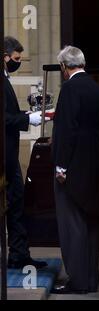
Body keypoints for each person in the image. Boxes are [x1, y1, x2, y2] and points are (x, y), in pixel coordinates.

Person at [51, 46, 99, 294]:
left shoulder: (70, 89)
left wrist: (61, 166)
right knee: (90, 224)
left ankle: (78, 281)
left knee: (72, 225)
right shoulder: (96, 88)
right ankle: (91, 278)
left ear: (64, 66)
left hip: (73, 166)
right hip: (93, 163)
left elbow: (67, 131)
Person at [4, 36, 48, 270]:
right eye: (16, 59)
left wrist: (26, 115)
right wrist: (27, 118)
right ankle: (18, 254)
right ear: (5, 56)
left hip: (8, 153)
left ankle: (19, 254)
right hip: (5, 155)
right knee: (15, 200)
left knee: (16, 201)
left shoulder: (5, 78)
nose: (18, 62)